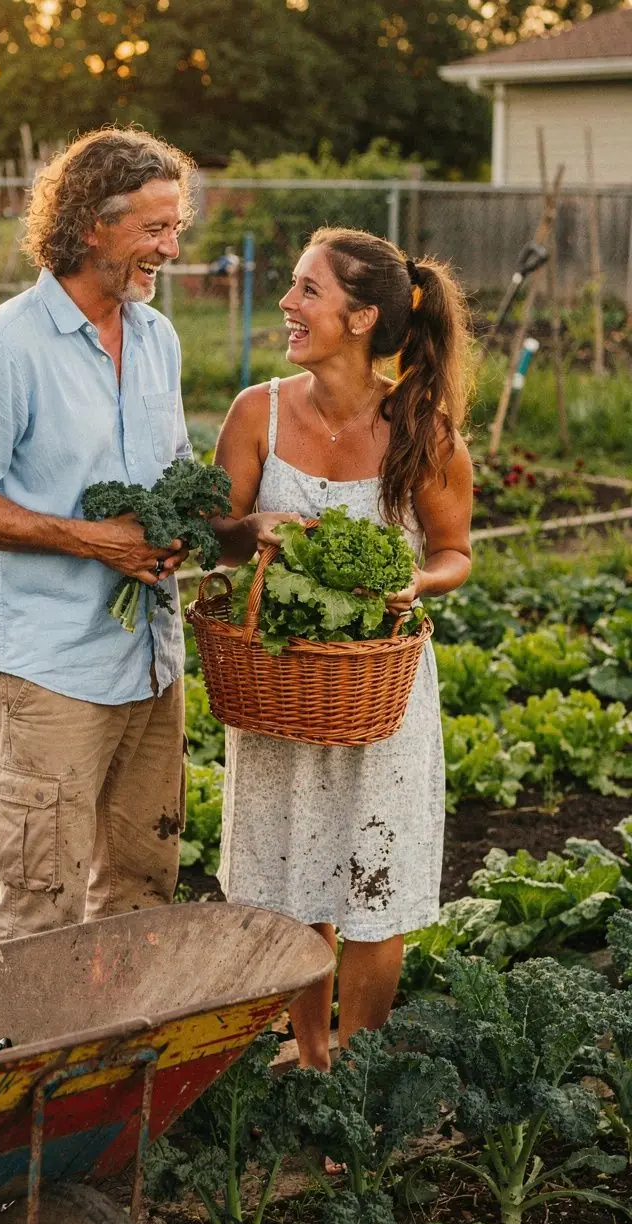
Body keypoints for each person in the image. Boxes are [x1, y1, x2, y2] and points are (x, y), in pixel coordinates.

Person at [0, 128, 196, 945]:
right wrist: (93, 541)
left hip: (150, 662)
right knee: (42, 902)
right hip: (52, 672)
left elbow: (172, 472)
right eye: (153, 230)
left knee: (143, 885)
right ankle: (25, 1071)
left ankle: (113, 1065)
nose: (171, 249)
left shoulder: (156, 338)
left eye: (175, 228)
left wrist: (191, 533)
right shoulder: (2, 349)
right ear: (87, 227)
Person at [212, 227, 474, 1070]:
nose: (287, 304)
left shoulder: (420, 430)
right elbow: (217, 533)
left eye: (306, 291)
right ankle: (311, 1048)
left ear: (362, 318)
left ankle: (356, 1074)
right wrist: (250, 529)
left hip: (379, 699)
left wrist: (417, 585)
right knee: (295, 876)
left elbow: (455, 553)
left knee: (373, 888)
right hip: (282, 687)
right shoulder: (258, 410)